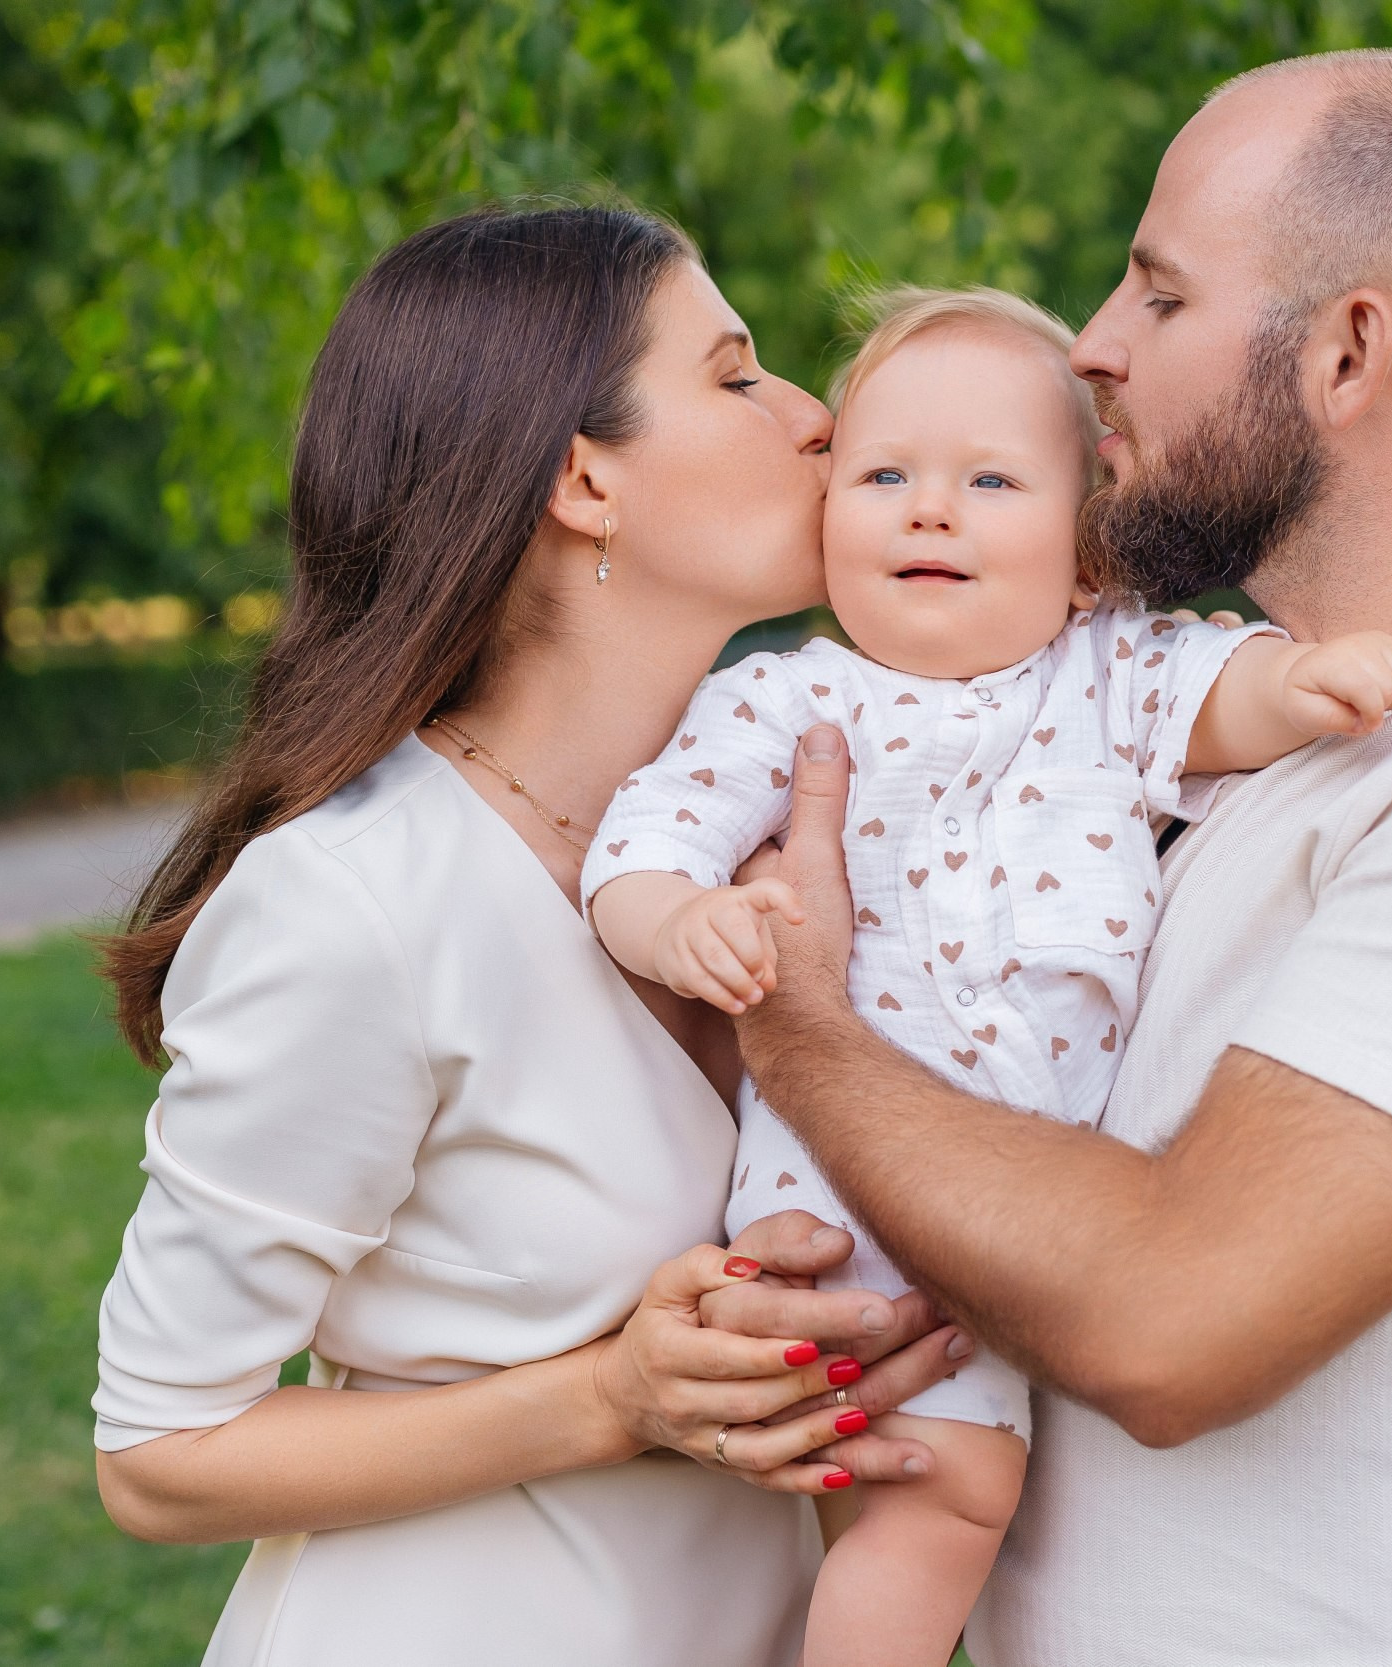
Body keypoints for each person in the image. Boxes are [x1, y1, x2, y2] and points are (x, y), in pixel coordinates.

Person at [732, 50, 1392, 1666]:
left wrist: (800, 1037)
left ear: (1346, 354)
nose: (1092, 346)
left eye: (1159, 295)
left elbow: (1167, 1319)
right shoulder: (1197, 729)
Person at [87, 204, 969, 1666]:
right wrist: (612, 1398)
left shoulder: (790, 835)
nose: (816, 416)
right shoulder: (359, 898)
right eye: (737, 375)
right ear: (583, 479)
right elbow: (160, 1453)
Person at [583, 286, 1392, 1667]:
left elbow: (1227, 694)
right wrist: (678, 921)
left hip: (1045, 1216)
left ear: (1087, 558)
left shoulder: (1110, 674)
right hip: (837, 1202)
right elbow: (641, 843)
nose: (930, 510)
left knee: (943, 1490)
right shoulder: (784, 699)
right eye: (884, 476)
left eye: (990, 482)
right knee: (942, 1491)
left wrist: (1311, 683)